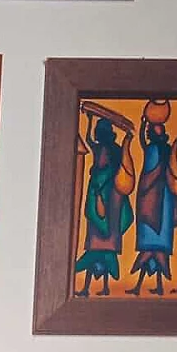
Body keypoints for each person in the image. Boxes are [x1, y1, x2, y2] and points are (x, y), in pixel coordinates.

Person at [129, 99, 177, 297]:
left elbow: (143, 144)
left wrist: (145, 120)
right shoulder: (160, 149)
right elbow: (143, 142)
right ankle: (148, 286)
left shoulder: (157, 150)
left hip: (157, 205)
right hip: (160, 205)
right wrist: (144, 120)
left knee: (152, 249)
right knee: (153, 249)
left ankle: (148, 286)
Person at [74, 115, 134, 297]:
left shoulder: (112, 173)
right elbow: (90, 141)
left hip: (109, 217)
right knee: (93, 251)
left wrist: (127, 140)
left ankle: (104, 287)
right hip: (96, 218)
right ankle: (86, 288)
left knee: (104, 253)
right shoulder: (99, 149)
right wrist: (90, 119)